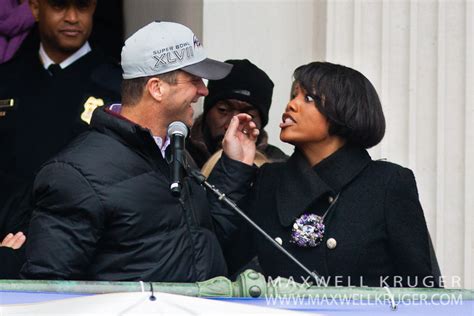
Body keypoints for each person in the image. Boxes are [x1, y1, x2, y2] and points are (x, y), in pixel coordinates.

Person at [20, 21, 259, 282]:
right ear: (156, 88)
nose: (203, 90)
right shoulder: (76, 173)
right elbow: (47, 287)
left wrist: (234, 165)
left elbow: (202, 243)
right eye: (194, 79)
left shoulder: (173, 152)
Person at [218, 61, 440, 287]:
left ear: (343, 111)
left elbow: (423, 289)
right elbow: (222, 260)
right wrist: (235, 166)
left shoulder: (388, 183)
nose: (291, 105)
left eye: (308, 98)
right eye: (293, 95)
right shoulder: (269, 179)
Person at [0, 0, 121, 278]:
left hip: (90, 253)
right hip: (8, 247)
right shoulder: (6, 80)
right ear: (35, 8)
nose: (71, 17)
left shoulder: (118, 86)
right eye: (59, 6)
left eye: (82, 6)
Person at [187, 59, 287, 168]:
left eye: (248, 116)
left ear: (261, 123)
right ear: (207, 112)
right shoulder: (178, 157)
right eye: (223, 110)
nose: (232, 125)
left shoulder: (278, 167)